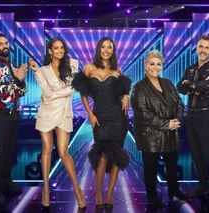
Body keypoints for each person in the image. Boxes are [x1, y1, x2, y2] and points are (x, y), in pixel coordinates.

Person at [72, 37, 131, 209]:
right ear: (99, 49)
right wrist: (89, 114)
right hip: (99, 118)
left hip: (119, 119)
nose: (106, 50)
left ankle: (110, 193)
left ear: (113, 50)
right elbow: (82, 94)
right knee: (103, 157)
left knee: (116, 157)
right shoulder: (89, 67)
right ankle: (98, 191)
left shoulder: (117, 70)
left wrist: (126, 95)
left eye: (110, 47)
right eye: (103, 47)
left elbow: (121, 92)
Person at [29, 38, 86, 209]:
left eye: (62, 48)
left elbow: (73, 89)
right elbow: (45, 92)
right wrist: (37, 73)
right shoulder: (43, 70)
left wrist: (53, 94)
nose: (60, 50)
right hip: (46, 113)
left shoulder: (72, 65)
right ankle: (45, 188)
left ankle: (77, 190)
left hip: (63, 113)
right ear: (50, 51)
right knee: (46, 150)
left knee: (63, 152)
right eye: (56, 48)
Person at [131, 50, 188, 208]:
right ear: (145, 66)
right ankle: (151, 196)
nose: (155, 67)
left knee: (172, 165)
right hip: (150, 135)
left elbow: (179, 103)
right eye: (152, 64)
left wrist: (175, 121)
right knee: (151, 168)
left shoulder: (168, 83)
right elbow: (143, 113)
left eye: (158, 64)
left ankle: (174, 190)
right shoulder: (138, 88)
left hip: (170, 133)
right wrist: (166, 124)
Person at [177, 34, 209, 211]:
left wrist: (190, 85)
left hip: (207, 116)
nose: (203, 50)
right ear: (196, 48)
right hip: (190, 116)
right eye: (201, 46)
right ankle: (203, 185)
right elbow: (179, 87)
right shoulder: (190, 69)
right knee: (196, 154)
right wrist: (193, 85)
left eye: (207, 47)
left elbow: (207, 86)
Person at [0, 33, 27, 205]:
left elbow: (21, 92)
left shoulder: (10, 66)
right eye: (0, 44)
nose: (4, 45)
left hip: (14, 115)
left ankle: (7, 182)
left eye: (6, 42)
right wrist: (16, 81)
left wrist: (20, 81)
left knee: (9, 152)